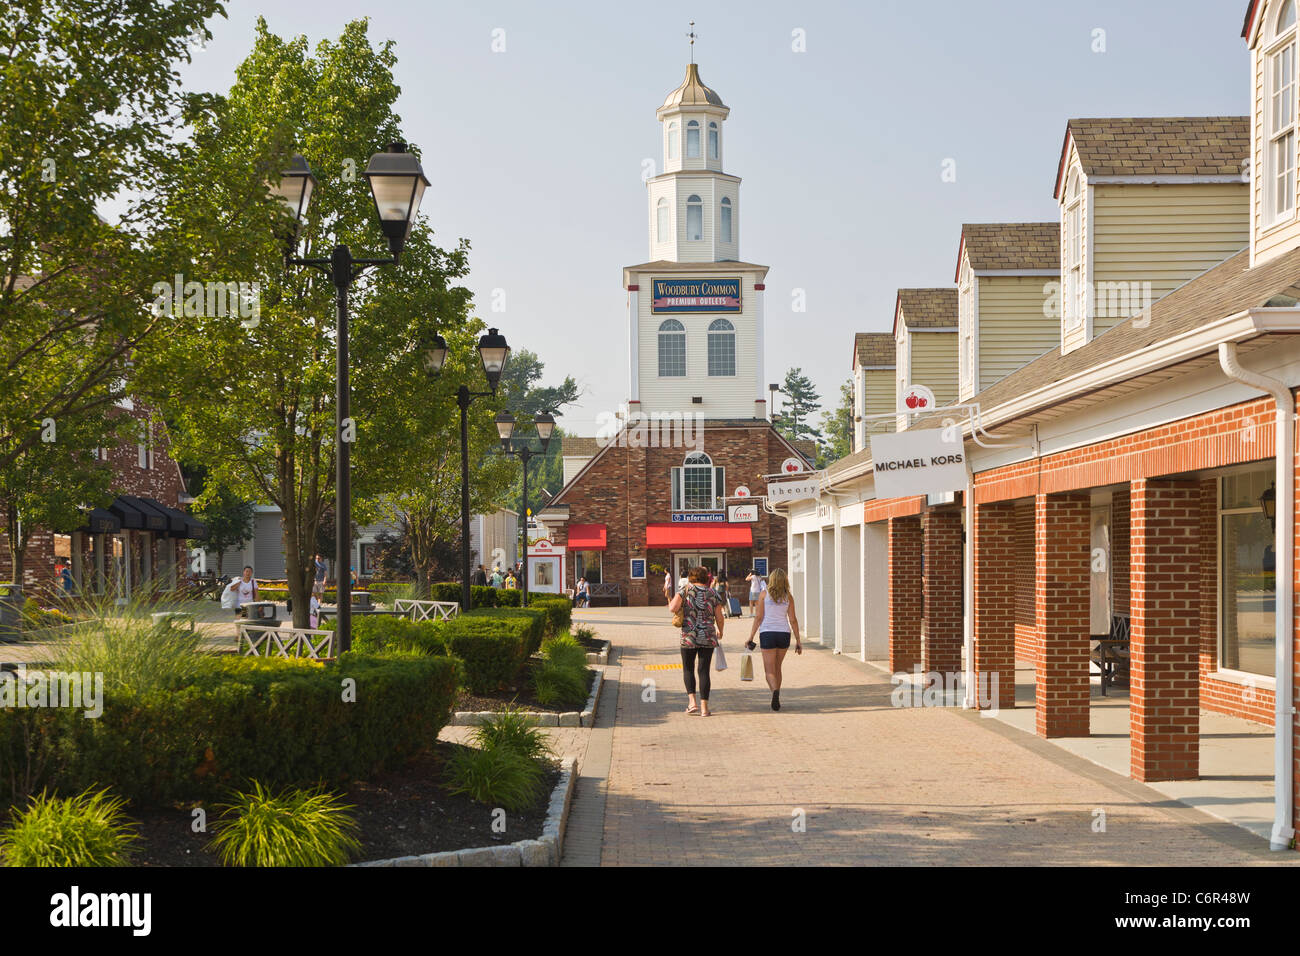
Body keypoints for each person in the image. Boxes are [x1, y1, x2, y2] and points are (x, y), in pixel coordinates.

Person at [667, 566, 725, 717]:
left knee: (688, 668)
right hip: (707, 635)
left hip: (689, 635)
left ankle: (692, 703)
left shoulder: (685, 590)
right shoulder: (713, 593)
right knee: (704, 670)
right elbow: (719, 617)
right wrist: (721, 631)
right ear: (706, 578)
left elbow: (672, 608)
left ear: (691, 577)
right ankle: (705, 708)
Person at [747, 568, 801, 711]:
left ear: (771, 580)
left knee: (769, 670)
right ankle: (777, 693)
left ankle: (774, 692)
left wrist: (751, 636)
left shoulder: (764, 595)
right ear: (785, 581)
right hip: (784, 634)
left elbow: (758, 618)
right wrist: (798, 641)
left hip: (767, 633)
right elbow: (793, 620)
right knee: (778, 667)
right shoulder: (788, 597)